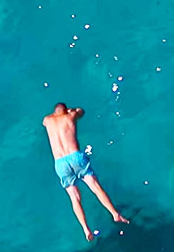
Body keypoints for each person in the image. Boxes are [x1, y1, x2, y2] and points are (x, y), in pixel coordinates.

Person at [42, 103, 130, 242]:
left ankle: (85, 228)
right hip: (75, 157)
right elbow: (82, 111)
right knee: (95, 187)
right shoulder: (71, 116)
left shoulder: (47, 120)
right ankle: (115, 214)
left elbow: (46, 120)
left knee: (74, 197)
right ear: (66, 111)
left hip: (60, 163)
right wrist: (72, 111)